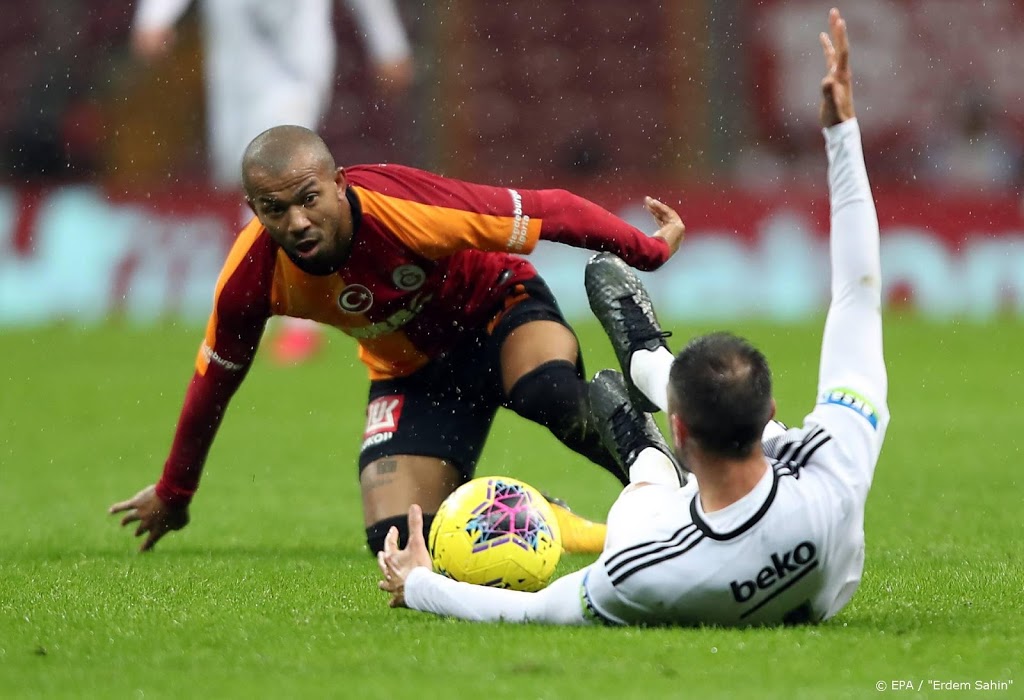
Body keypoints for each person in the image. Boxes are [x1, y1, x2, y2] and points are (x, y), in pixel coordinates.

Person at [378, 8, 891, 627]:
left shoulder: (649, 567)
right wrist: (843, 132)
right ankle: (649, 361)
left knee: (645, 490)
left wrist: (420, 583)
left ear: (680, 431)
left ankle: (640, 428)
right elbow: (858, 297)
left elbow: (538, 609)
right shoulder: (833, 465)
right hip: (815, 576)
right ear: (770, 415)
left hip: (693, 526)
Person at [108, 125, 686, 556]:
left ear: (338, 184)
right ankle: (558, 526)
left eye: (309, 198)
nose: (297, 222)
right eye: (274, 210)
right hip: (411, 373)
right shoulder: (250, 276)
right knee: (396, 540)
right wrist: (175, 493)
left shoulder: (403, 203)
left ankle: (673, 488)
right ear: (254, 210)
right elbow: (215, 381)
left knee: (550, 395)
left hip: (498, 310)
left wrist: (649, 250)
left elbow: (550, 209)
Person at [131, 0, 415, 364]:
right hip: (233, 76)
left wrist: (389, 45)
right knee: (247, 189)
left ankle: (298, 321)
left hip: (295, 72)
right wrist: (154, 17)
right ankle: (262, 307)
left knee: (281, 180)